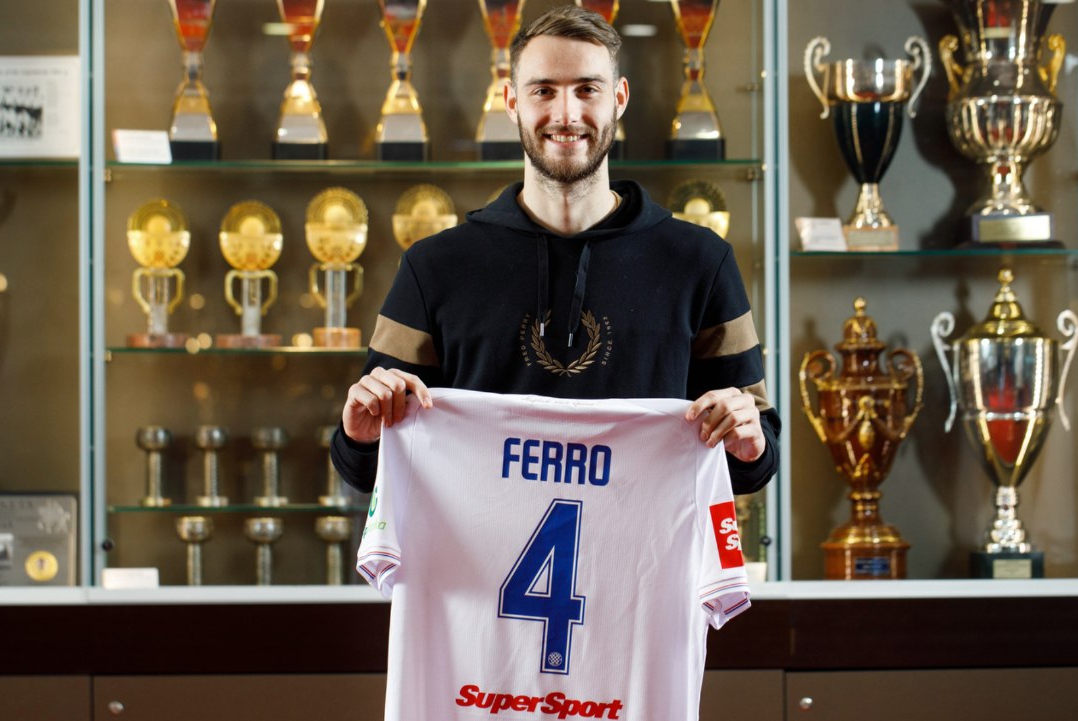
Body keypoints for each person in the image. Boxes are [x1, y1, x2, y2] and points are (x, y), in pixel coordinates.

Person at [331, 5, 779, 496]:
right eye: (543, 90)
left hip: (639, 548)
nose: (566, 114)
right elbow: (366, 465)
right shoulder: (433, 267)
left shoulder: (702, 263)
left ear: (619, 99)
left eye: (587, 89)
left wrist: (750, 441)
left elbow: (755, 457)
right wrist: (360, 437)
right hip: (482, 549)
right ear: (511, 101)